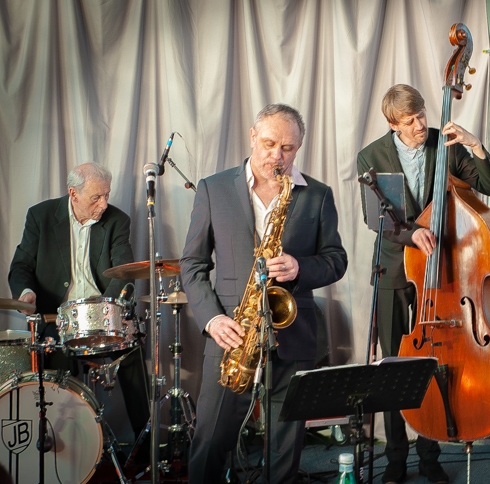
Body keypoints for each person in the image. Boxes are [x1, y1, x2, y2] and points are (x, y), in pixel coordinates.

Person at [180, 104, 347, 484]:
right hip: (232, 333)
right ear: (253, 137)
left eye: (288, 148)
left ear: (299, 147)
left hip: (292, 332)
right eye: (270, 143)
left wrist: (300, 267)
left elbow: (336, 260)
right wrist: (212, 319)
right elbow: (192, 265)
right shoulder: (213, 188)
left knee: (284, 451)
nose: (277, 155)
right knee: (209, 441)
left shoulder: (317, 194)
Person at [356, 84, 490, 484]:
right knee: (393, 367)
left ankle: (430, 453)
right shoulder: (372, 156)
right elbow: (376, 218)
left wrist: (474, 145)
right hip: (393, 271)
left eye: (422, 115)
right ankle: (395, 460)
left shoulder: (448, 144)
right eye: (411, 120)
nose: (422, 124)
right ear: (393, 124)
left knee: (435, 362)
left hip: (440, 273)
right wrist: (410, 235)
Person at [7, 162, 150, 459]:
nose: (104, 204)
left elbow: (123, 273)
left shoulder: (117, 221)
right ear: (73, 193)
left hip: (103, 315)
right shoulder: (41, 216)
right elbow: (20, 267)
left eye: (106, 195)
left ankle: (145, 441)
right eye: (96, 198)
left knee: (132, 351)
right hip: (58, 318)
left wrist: (106, 311)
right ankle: (68, 450)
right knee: (58, 369)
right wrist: (26, 293)